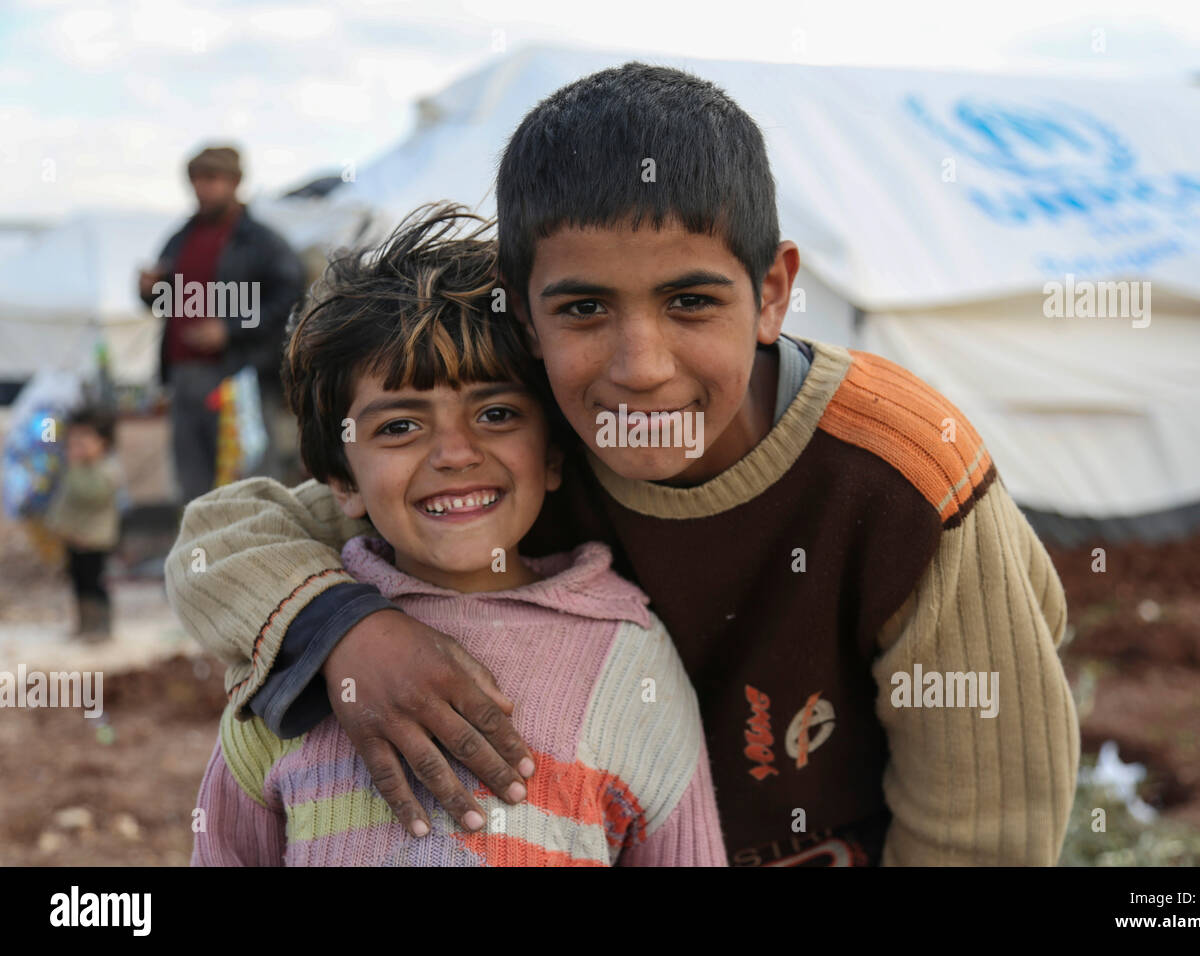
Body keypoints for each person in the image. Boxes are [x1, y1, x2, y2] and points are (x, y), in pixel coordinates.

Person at [165, 64, 1079, 866]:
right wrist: (346, 631)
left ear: (771, 293)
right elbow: (223, 539)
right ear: (525, 317)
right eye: (585, 309)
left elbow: (983, 831)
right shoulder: (527, 442)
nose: (639, 367)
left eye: (690, 301)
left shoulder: (901, 476)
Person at [189, 205, 726, 866]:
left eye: (496, 413)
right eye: (399, 427)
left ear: (554, 452)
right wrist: (340, 635)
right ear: (341, 478)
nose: (454, 453)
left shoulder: (629, 661)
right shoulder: (293, 660)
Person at [138, 145, 305, 502]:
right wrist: (150, 290)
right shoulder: (181, 237)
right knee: (192, 482)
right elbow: (163, 300)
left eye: (212, 179)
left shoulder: (261, 241)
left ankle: (254, 556)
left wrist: (230, 328)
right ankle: (200, 554)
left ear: (235, 182)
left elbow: (289, 299)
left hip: (239, 377)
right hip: (184, 375)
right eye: (196, 180)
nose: (202, 188)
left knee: (250, 481)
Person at [44, 407, 123, 642]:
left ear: (104, 443)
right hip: (74, 538)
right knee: (78, 581)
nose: (77, 446)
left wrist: (74, 467)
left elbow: (90, 495)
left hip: (95, 540)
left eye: (84, 440)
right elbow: (63, 501)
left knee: (95, 582)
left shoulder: (106, 471)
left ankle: (101, 625)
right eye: (74, 439)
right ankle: (84, 623)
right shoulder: (72, 469)